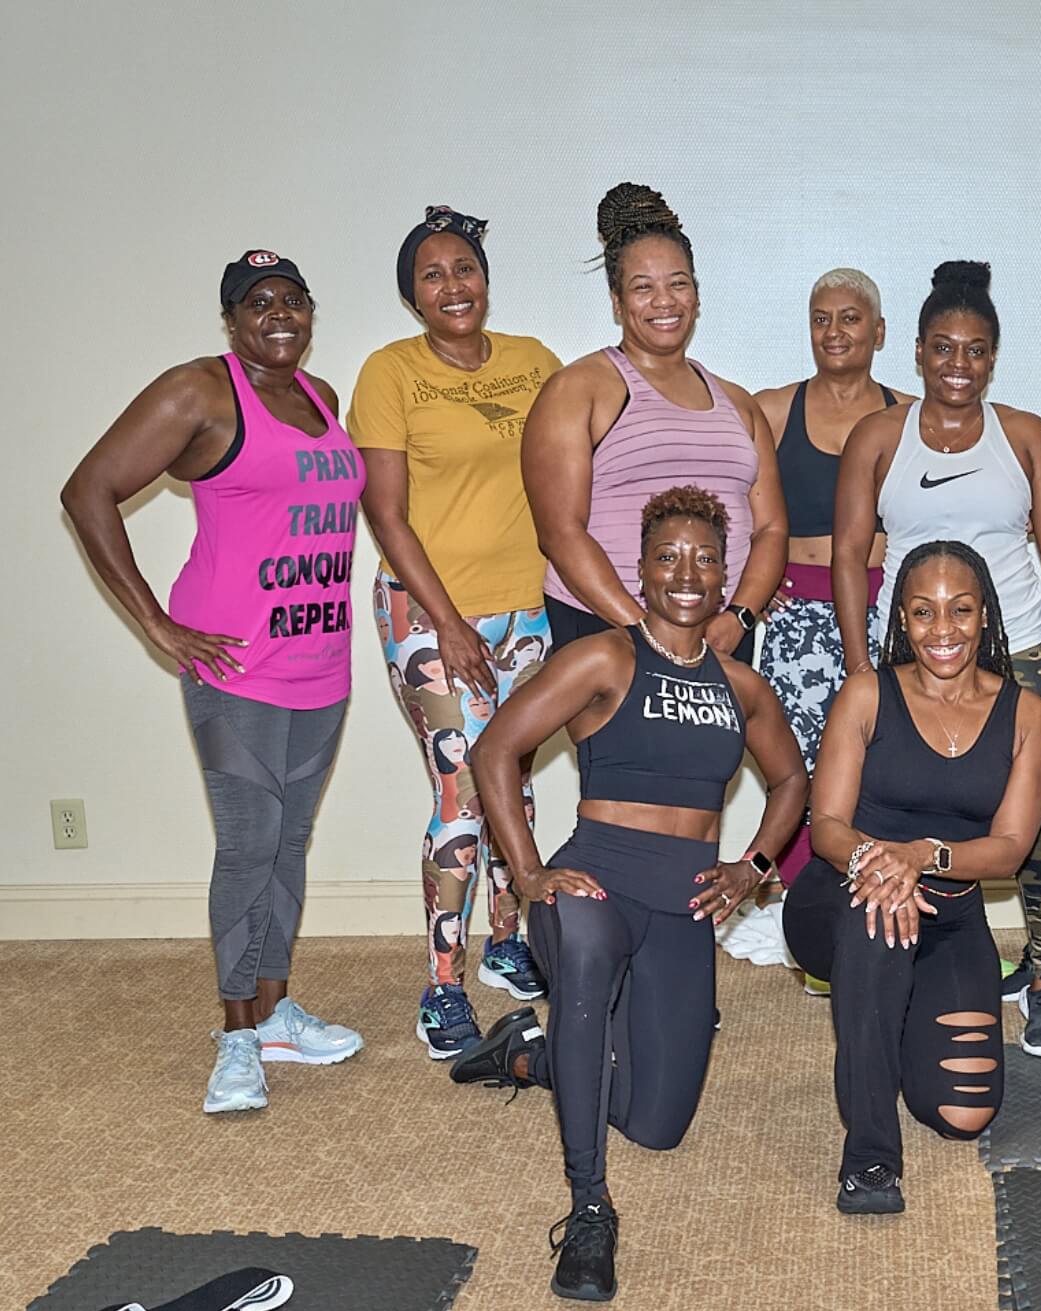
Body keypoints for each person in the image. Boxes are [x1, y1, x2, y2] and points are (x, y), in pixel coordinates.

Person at [446, 487, 806, 1302]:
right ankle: (588, 1209)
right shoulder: (604, 658)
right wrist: (528, 872)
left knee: (658, 1124)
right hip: (594, 883)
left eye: (705, 559)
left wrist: (752, 866)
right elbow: (495, 748)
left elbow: (792, 781)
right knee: (583, 965)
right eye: (667, 556)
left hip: (685, 904)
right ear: (639, 570)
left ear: (725, 576)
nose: (686, 573)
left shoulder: (741, 685)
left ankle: (526, 1054)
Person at [60, 250, 366, 1114]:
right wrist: (156, 624)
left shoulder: (320, 397)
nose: (279, 313)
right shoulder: (198, 391)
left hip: (321, 662)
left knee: (290, 841)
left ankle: (274, 1011)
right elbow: (88, 490)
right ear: (230, 320)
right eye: (257, 301)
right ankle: (236, 1034)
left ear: (311, 312)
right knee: (247, 843)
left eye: (293, 299)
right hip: (237, 667)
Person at [832, 261, 1041, 1057]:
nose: (958, 364)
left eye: (975, 350)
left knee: (1040, 821)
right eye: (943, 347)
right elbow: (848, 554)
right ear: (916, 351)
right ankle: (897, 944)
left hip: (1021, 654)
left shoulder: (1026, 435)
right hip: (911, 647)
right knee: (895, 803)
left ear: (993, 358)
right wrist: (859, 664)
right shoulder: (880, 436)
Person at [351, 205, 566, 1057]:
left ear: (486, 278)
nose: (452, 286)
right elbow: (386, 513)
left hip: (528, 611)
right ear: (413, 296)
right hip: (428, 612)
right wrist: (448, 622)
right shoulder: (390, 372)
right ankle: (442, 985)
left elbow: (572, 474)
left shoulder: (533, 362)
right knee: (462, 796)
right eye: (432, 275)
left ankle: (507, 944)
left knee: (514, 783)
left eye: (464, 268)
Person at [783, 541, 1041, 1214]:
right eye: (924, 611)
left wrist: (922, 856)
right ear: (901, 618)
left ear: (984, 613)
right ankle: (870, 1160)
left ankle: (888, 1022)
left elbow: (1009, 849)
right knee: (880, 921)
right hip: (846, 894)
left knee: (965, 1113)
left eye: (960, 609)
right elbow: (828, 827)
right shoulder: (867, 694)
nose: (942, 629)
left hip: (950, 913)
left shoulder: (1023, 712)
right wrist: (884, 865)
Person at [522, 182, 785, 662]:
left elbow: (770, 529)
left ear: (697, 294)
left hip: (720, 637)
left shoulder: (739, 404)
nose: (664, 300)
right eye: (643, 287)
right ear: (617, 301)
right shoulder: (577, 391)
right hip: (609, 630)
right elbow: (560, 533)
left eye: (678, 283)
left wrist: (739, 617)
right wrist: (645, 631)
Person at [751, 268, 913, 895]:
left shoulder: (911, 416)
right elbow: (727, 504)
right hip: (795, 616)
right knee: (798, 763)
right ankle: (801, 901)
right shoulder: (772, 410)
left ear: (879, 331)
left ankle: (877, 894)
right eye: (821, 319)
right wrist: (748, 584)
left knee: (882, 762)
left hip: (889, 610)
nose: (834, 331)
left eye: (850, 318)